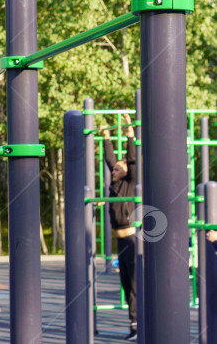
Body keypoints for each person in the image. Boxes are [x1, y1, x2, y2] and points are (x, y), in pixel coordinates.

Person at [103, 116, 138, 341]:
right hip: (121, 241)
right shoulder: (115, 185)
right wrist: (106, 138)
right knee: (126, 285)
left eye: (117, 169)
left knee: (134, 285)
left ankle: (138, 325)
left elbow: (131, 159)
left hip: (132, 240)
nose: (113, 171)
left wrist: (129, 133)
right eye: (113, 169)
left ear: (125, 172)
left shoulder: (130, 182)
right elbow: (109, 159)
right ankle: (134, 324)